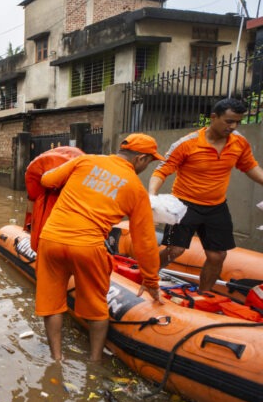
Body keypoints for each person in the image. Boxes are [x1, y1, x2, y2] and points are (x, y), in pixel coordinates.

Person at [36, 134, 164, 361]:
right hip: (88, 247)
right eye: (150, 162)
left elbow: (47, 181)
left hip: (52, 239)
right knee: (96, 309)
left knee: (52, 305)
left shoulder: (87, 161)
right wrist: (151, 281)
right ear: (141, 159)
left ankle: (56, 359)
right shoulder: (136, 189)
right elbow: (144, 242)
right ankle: (94, 362)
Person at [148, 98, 263, 292]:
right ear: (213, 117)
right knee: (175, 250)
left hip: (216, 207)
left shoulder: (239, 143)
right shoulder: (187, 143)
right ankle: (147, 277)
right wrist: (152, 195)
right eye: (229, 121)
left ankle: (204, 294)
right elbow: (161, 170)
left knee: (217, 256)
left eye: (237, 122)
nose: (233, 126)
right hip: (184, 204)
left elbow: (250, 167)